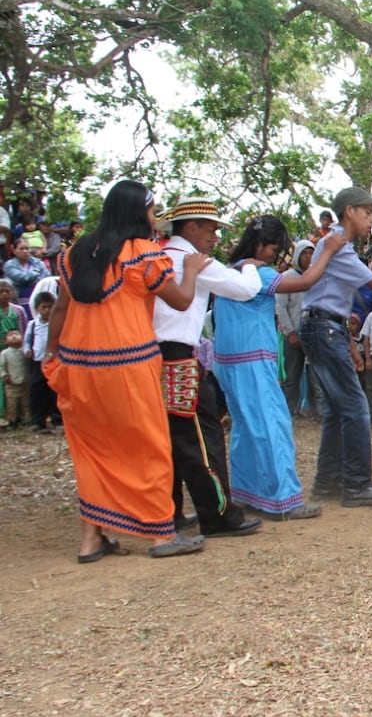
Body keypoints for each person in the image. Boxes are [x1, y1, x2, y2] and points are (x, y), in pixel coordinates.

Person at [45, 180, 207, 560]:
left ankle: (91, 540)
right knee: (149, 445)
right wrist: (193, 270)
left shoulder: (73, 255)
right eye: (152, 211)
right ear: (139, 212)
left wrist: (51, 354)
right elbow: (182, 301)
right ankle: (162, 535)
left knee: (91, 451)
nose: (154, 218)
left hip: (78, 366)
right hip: (129, 365)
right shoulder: (143, 254)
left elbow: (60, 310)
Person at [213, 216, 348, 520]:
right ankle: (284, 499)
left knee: (246, 428)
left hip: (228, 360)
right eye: (274, 249)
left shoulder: (229, 271)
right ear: (262, 246)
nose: (276, 255)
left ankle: (249, 493)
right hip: (252, 358)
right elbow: (305, 281)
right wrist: (326, 250)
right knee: (273, 426)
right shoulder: (256, 272)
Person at [154, 197, 265, 539]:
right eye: (212, 228)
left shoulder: (156, 257)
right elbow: (247, 290)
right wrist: (248, 265)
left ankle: (169, 512)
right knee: (202, 437)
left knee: (168, 437)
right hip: (181, 357)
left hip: (151, 359)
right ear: (191, 227)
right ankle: (217, 513)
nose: (215, 237)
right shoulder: (196, 262)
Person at [300, 187, 372, 505]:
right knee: (354, 407)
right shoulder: (339, 246)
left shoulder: (337, 244)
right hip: (325, 327)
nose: (371, 220)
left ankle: (329, 483)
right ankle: (357, 484)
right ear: (349, 211)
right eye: (367, 213)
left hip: (323, 326)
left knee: (338, 410)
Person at [276, 239, 319, 416]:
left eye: (311, 253)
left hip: (313, 334)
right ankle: (288, 411)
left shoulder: (317, 276)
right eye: (305, 253)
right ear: (297, 255)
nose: (308, 257)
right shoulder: (287, 277)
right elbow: (280, 307)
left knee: (315, 376)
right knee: (291, 376)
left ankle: (315, 412)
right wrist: (290, 332)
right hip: (292, 334)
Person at [23, 291, 60, 431]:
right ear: (37, 308)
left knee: (54, 391)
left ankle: (58, 420)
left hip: (53, 362)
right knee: (37, 391)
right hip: (37, 362)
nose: (47, 310)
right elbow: (27, 341)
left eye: (50, 307)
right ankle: (38, 421)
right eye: (44, 307)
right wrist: (27, 350)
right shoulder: (33, 324)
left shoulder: (56, 324)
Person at [4, 239, 50, 313]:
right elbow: (22, 278)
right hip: (19, 298)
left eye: (27, 249)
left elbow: (46, 278)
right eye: (21, 249)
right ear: (14, 250)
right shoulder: (9, 265)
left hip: (38, 297)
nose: (25, 251)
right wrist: (36, 273)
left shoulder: (38, 262)